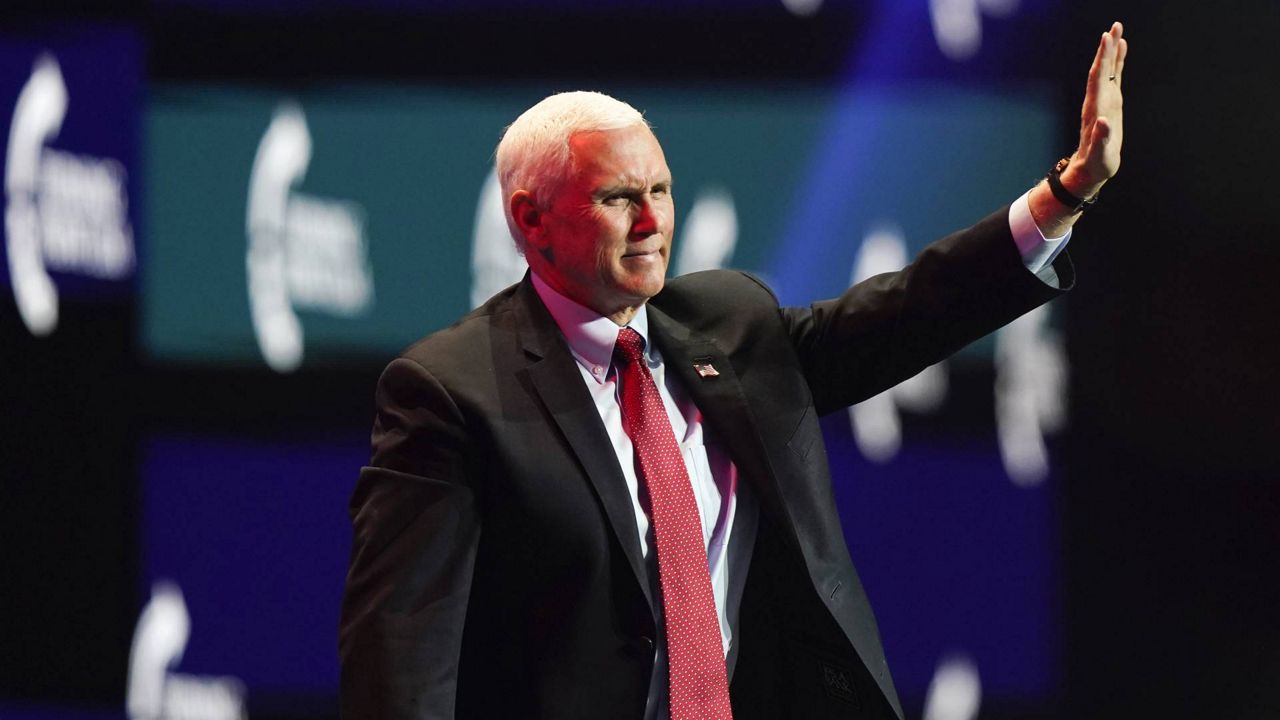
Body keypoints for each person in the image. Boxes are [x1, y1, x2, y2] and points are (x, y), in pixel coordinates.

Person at [339, 22, 1127, 720]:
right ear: (529, 218)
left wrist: (1064, 196)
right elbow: (402, 652)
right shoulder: (451, 392)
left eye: (661, 191)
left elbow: (908, 312)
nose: (652, 223)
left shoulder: (729, 323)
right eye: (619, 198)